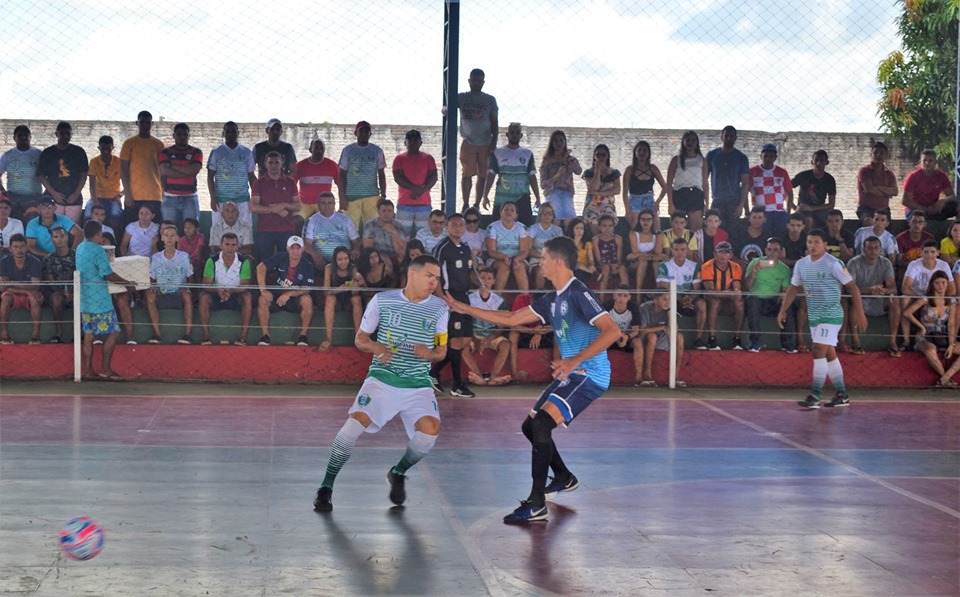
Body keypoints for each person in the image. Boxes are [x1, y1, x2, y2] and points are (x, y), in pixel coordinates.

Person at [444, 235, 621, 524]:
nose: (540, 264)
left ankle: (536, 503)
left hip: (590, 375)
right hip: (572, 374)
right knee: (531, 426)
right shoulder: (553, 299)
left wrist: (575, 360)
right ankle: (563, 476)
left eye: (544, 259)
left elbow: (613, 331)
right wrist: (467, 309)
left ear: (558, 262)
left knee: (541, 424)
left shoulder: (578, 292)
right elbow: (513, 319)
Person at [313, 254, 448, 512]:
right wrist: (377, 347)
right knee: (353, 426)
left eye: (437, 278)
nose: (434, 282)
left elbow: (441, 351)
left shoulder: (440, 308)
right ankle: (326, 486)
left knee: (430, 431)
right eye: (429, 276)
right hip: (382, 379)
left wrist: (429, 354)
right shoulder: (383, 300)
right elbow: (360, 339)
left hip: (418, 383)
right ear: (412, 274)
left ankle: (398, 472)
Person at [778, 229, 867, 409]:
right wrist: (783, 310)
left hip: (832, 314)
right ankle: (842, 394)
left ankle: (815, 395)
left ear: (825, 244)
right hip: (814, 315)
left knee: (817, 349)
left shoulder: (834, 263)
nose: (812, 246)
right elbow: (794, 288)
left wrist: (860, 312)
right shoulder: (801, 264)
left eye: (816, 242)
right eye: (810, 242)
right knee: (829, 354)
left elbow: (852, 287)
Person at [76, 220, 137, 379]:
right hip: (100, 300)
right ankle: (105, 368)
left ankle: (88, 371)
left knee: (89, 336)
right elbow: (108, 274)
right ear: (97, 234)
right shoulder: (98, 251)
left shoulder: (80, 248)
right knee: (114, 332)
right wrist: (128, 283)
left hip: (84, 299)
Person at [430, 213, 480, 398]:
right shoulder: (442, 248)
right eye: (454, 225)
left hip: (465, 297)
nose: (458, 228)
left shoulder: (466, 248)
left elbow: (471, 272)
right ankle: (457, 385)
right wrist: (443, 298)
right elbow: (434, 275)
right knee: (456, 341)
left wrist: (482, 286)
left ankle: (434, 372)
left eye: (461, 225)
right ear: (447, 227)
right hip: (450, 297)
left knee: (465, 341)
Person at [845, 236, 901, 357]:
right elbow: (849, 288)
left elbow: (893, 289)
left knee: (894, 301)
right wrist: (870, 290)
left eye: (876, 248)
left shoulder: (886, 263)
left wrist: (882, 290)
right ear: (863, 249)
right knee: (854, 301)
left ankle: (892, 342)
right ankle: (856, 342)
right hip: (861, 299)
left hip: (879, 298)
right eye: (870, 248)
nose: (873, 251)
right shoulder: (854, 263)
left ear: (881, 249)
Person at [256, 235, 316, 347]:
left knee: (307, 299)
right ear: (287, 249)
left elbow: (307, 288)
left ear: (303, 249)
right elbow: (261, 267)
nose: (295, 251)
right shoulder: (280, 257)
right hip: (275, 296)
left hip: (294, 299)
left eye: (298, 248)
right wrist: (263, 290)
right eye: (292, 248)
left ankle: (303, 336)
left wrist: (289, 294)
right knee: (262, 298)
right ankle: (265, 336)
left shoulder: (308, 265)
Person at [902, 271, 960, 386]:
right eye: (937, 283)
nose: (941, 286)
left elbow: (951, 324)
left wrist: (952, 343)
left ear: (947, 284)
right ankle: (945, 379)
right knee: (930, 350)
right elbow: (907, 313)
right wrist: (921, 327)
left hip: (943, 336)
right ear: (932, 284)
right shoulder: (926, 299)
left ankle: (945, 378)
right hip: (925, 336)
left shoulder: (951, 302)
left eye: (943, 283)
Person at [454, 68, 499, 210]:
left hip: (486, 142)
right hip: (468, 141)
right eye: (474, 80)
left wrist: (494, 142)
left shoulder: (489, 100)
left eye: (479, 81)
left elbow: (494, 122)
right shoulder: (461, 97)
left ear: (483, 82)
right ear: (469, 81)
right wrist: (444, 110)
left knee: (483, 175)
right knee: (467, 173)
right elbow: (448, 107)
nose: (476, 83)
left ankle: (476, 204)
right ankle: (466, 204)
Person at [198, 232, 253, 345]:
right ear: (221, 245)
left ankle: (243, 337)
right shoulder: (212, 261)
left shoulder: (244, 261)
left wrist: (230, 291)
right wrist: (218, 290)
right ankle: (206, 337)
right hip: (216, 294)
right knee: (203, 297)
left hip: (236, 294)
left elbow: (244, 285)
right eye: (227, 244)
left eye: (233, 245)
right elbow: (206, 284)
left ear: (238, 247)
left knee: (247, 296)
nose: (230, 248)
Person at [460, 268, 512, 386]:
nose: (485, 281)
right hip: (473, 335)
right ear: (478, 281)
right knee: (463, 348)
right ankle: (479, 377)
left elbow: (501, 325)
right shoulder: (469, 299)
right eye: (482, 278)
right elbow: (465, 323)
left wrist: (491, 337)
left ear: (493, 281)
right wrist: (474, 339)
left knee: (506, 345)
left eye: (489, 278)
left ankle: (493, 377)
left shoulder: (499, 301)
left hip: (491, 336)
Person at [743, 237, 795, 352]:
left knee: (787, 304)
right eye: (769, 249)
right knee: (753, 303)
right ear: (765, 250)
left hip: (773, 300)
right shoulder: (755, 262)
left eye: (775, 250)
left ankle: (787, 343)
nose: (772, 253)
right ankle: (755, 342)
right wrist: (753, 273)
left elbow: (786, 289)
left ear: (781, 252)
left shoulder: (784, 269)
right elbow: (746, 286)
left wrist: (783, 294)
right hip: (756, 299)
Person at [483, 122, 540, 226]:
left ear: (521, 135)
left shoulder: (527, 153)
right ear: (507, 134)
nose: (514, 134)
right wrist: (485, 195)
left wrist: (538, 197)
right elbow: (491, 175)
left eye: (517, 132)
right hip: (502, 198)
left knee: (525, 229)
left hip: (522, 198)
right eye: (512, 132)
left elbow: (532, 176)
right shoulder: (498, 152)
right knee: (498, 227)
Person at [146, 223, 194, 345]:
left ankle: (187, 334)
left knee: (187, 296)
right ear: (162, 238)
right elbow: (152, 279)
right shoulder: (156, 257)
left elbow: (190, 277)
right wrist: (153, 288)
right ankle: (157, 334)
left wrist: (187, 287)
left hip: (178, 293)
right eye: (166, 235)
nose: (169, 238)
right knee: (150, 296)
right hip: (162, 293)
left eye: (172, 235)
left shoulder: (184, 257)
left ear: (177, 238)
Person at [901, 240, 954, 348]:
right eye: (926, 252)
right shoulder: (914, 264)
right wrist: (923, 297)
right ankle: (906, 341)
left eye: (933, 252)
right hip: (919, 295)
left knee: (955, 302)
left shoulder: (943, 265)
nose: (930, 255)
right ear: (921, 252)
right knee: (904, 299)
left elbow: (952, 289)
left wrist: (937, 297)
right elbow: (905, 288)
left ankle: (951, 341)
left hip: (938, 295)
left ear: (938, 252)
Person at [657, 237, 707, 349]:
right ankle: (673, 340)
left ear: (687, 250)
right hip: (673, 299)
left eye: (682, 249)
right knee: (667, 302)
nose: (679, 253)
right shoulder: (664, 266)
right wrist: (680, 299)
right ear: (671, 250)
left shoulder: (694, 266)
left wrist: (690, 299)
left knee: (702, 304)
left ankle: (698, 340)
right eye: (676, 249)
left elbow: (697, 288)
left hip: (690, 300)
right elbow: (663, 289)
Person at [251, 151, 301, 261]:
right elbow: (254, 207)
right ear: (265, 164)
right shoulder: (259, 183)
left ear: (282, 163)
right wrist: (273, 210)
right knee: (264, 263)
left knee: (286, 262)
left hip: (286, 229)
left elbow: (297, 206)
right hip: (265, 230)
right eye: (270, 163)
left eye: (277, 162)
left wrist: (284, 205)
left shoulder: (290, 182)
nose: (274, 166)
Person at [338, 120, 387, 230]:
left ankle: (369, 248)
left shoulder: (377, 150)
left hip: (372, 196)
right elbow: (341, 175)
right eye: (361, 132)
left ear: (370, 134)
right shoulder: (347, 150)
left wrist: (383, 195)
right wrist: (341, 196)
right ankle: (353, 248)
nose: (364, 134)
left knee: (372, 229)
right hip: (351, 197)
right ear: (356, 133)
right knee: (350, 229)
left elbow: (381, 174)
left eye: (367, 132)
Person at [207, 121, 257, 227]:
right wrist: (212, 198)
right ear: (223, 133)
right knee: (219, 231)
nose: (230, 134)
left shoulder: (246, 152)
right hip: (221, 199)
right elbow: (210, 177)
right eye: (227, 131)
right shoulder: (216, 152)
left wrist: (256, 197)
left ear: (238, 133)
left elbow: (251, 176)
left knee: (245, 230)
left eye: (233, 131)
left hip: (242, 199)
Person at [37, 121, 88, 225]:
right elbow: (41, 175)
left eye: (68, 134)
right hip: (53, 199)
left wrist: (76, 193)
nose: (65, 136)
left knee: (72, 229)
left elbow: (83, 175)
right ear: (56, 134)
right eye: (62, 133)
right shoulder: (48, 152)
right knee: (54, 228)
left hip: (74, 199)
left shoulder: (78, 152)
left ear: (71, 134)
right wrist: (54, 193)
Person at [120, 110, 165, 223]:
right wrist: (128, 194)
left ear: (152, 124)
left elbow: (163, 170)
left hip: (154, 194)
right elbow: (124, 170)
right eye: (142, 122)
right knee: (131, 228)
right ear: (137, 123)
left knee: (155, 229)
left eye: (148, 122)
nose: (145, 125)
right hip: (134, 196)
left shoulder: (158, 144)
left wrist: (164, 193)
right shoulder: (129, 143)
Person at [318, 246, 363, 353]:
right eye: (340, 259)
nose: (343, 262)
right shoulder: (329, 268)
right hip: (336, 302)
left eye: (346, 258)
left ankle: (358, 338)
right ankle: (329, 338)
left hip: (348, 302)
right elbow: (326, 292)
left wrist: (355, 285)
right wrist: (340, 289)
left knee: (357, 299)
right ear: (335, 260)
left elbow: (355, 293)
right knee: (330, 298)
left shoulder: (353, 268)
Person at [157, 123, 202, 231]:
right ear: (174, 135)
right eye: (179, 134)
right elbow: (164, 171)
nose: (182, 137)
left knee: (192, 231)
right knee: (168, 230)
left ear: (189, 136)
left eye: (185, 135)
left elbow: (194, 170)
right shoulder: (165, 152)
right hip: (169, 197)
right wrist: (187, 170)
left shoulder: (196, 152)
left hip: (190, 197)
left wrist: (171, 166)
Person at [700, 241, 744, 350]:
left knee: (740, 303)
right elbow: (710, 290)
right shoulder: (707, 266)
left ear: (731, 255)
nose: (723, 255)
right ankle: (712, 338)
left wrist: (736, 292)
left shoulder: (736, 267)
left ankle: (737, 338)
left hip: (728, 298)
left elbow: (736, 287)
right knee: (715, 302)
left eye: (726, 252)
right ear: (714, 254)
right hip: (712, 298)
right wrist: (728, 293)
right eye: (720, 252)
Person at [635, 291, 685, 387]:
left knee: (680, 337)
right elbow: (642, 330)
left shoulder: (669, 309)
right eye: (664, 299)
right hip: (645, 338)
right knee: (652, 336)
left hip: (662, 337)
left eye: (669, 299)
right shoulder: (645, 308)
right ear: (655, 300)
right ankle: (647, 373)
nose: (668, 302)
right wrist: (661, 328)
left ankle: (675, 375)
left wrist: (670, 313)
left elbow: (674, 331)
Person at [392, 130, 438, 234]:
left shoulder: (428, 158)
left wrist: (422, 190)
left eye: (416, 140)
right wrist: (416, 188)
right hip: (404, 203)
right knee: (402, 234)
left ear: (420, 143)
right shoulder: (399, 158)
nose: (412, 143)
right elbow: (398, 177)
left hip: (424, 203)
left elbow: (433, 177)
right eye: (410, 140)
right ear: (405, 143)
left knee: (423, 234)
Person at [0, 233, 43, 344]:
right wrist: (26, 290)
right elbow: (3, 287)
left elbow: (35, 286)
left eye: (22, 246)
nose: (19, 250)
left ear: (26, 248)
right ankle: (4, 334)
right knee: (5, 299)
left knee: (35, 297)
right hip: (13, 295)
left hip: (27, 295)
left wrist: (11, 283)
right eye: (15, 247)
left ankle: (36, 335)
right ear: (10, 249)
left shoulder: (35, 262)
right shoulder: (4, 262)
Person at [506, 291, 556, 383]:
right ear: (531, 300)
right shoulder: (521, 299)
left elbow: (558, 324)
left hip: (545, 333)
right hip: (526, 331)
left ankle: (557, 375)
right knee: (513, 334)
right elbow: (513, 324)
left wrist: (540, 332)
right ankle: (514, 374)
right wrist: (533, 331)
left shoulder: (553, 301)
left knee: (558, 337)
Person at [705, 125, 751, 226]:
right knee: (716, 231)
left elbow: (745, 184)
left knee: (733, 233)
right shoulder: (712, 155)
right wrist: (706, 203)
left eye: (731, 136)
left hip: (733, 203)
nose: (729, 138)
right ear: (722, 137)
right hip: (717, 201)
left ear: (735, 138)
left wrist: (741, 205)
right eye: (726, 136)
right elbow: (704, 180)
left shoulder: (741, 158)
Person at [303, 191, 361, 269]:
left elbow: (356, 242)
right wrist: (315, 255)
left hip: (344, 260)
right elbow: (306, 244)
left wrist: (356, 249)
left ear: (334, 204)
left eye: (330, 203)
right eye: (323, 203)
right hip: (322, 261)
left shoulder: (345, 219)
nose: (327, 206)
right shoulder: (311, 221)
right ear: (318, 205)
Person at [666, 131, 710, 230]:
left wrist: (707, 203)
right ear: (683, 142)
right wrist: (670, 203)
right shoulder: (675, 160)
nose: (690, 142)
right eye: (688, 140)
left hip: (696, 195)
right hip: (679, 194)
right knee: (677, 229)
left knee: (695, 230)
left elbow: (705, 183)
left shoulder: (702, 160)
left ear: (697, 143)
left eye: (693, 140)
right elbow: (669, 184)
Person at [602, 285, 645, 385]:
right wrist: (615, 336)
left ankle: (639, 377)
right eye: (619, 295)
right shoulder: (606, 306)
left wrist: (626, 337)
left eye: (625, 296)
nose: (622, 298)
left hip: (627, 338)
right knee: (598, 343)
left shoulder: (633, 307)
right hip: (610, 337)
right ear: (614, 296)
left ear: (629, 297)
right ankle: (599, 376)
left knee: (638, 342)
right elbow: (601, 328)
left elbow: (636, 330)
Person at [539, 130, 582, 227]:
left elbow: (578, 171)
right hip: (552, 192)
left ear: (565, 142)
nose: (559, 143)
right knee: (555, 219)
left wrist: (568, 161)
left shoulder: (570, 159)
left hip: (567, 192)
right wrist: (556, 177)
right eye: (556, 141)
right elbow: (543, 184)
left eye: (561, 140)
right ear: (552, 143)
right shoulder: (547, 161)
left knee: (570, 219)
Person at [41, 226, 76, 344]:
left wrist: (73, 293)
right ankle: (58, 332)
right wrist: (63, 293)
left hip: (76, 290)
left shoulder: (77, 256)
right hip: (57, 292)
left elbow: (82, 277)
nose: (59, 239)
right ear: (52, 240)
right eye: (56, 237)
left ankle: (78, 333)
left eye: (62, 236)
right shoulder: (48, 259)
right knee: (57, 299)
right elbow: (51, 281)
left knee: (80, 297)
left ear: (67, 238)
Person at [0, 125, 42, 221]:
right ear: (14, 138)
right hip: (13, 197)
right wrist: (2, 190)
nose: (23, 137)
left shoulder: (38, 154)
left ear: (30, 137)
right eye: (20, 135)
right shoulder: (7, 155)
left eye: (26, 135)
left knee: (32, 221)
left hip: (33, 197)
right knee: (11, 222)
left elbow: (47, 175)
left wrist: (44, 193)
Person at [622, 140, 667, 230]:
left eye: (644, 150)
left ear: (648, 153)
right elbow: (625, 191)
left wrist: (658, 202)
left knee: (656, 227)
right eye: (639, 150)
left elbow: (665, 187)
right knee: (636, 228)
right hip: (634, 201)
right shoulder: (630, 170)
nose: (642, 153)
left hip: (649, 200)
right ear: (635, 153)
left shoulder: (653, 168)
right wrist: (627, 210)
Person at [486, 201, 530, 290]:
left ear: (516, 215)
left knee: (519, 266)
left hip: (518, 258)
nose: (509, 212)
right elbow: (491, 251)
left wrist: (517, 259)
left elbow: (524, 250)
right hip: (497, 259)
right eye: (506, 209)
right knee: (504, 266)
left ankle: (525, 299)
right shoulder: (492, 227)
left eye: (512, 210)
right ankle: (498, 299)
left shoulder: (522, 228)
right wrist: (503, 257)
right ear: (500, 212)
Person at [901, 149, 957, 220]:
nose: (927, 163)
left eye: (930, 160)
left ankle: (957, 228)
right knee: (918, 217)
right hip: (915, 209)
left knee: (957, 206)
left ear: (935, 162)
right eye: (924, 160)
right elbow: (905, 201)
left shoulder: (941, 176)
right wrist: (925, 209)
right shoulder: (913, 176)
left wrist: (943, 201)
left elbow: (952, 196)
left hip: (934, 208)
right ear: (920, 162)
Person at [293, 138, 340, 222]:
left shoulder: (332, 165)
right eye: (316, 148)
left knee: (328, 221)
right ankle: (298, 236)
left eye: (321, 148)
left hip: (324, 203)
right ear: (310, 150)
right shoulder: (300, 165)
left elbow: (341, 185)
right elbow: (292, 186)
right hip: (304, 203)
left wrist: (341, 203)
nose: (319, 151)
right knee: (297, 220)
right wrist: (294, 202)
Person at [85, 135, 123, 233]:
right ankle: (89, 241)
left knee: (116, 216)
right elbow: (92, 185)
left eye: (108, 149)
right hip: (97, 196)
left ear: (113, 148)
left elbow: (128, 183)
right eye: (103, 149)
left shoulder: (119, 162)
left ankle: (114, 241)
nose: (106, 151)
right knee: (87, 215)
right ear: (99, 148)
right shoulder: (94, 162)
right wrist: (95, 201)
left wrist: (119, 196)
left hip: (114, 197)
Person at [582, 144, 622, 236]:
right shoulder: (589, 172)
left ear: (608, 156)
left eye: (603, 155)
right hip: (592, 207)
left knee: (607, 232)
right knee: (595, 232)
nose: (600, 157)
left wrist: (598, 193)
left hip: (608, 206)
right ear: (594, 156)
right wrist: (597, 171)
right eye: (598, 155)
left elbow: (617, 190)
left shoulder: (614, 172)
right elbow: (592, 188)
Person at [856, 141, 898, 226]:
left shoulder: (889, 173)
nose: (878, 155)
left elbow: (895, 192)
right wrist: (886, 193)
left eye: (882, 153)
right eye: (876, 153)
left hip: (884, 209)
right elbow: (869, 189)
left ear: (886, 156)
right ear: (871, 154)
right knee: (868, 222)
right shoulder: (864, 171)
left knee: (886, 228)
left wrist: (877, 187)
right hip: (866, 208)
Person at [527, 203, 564, 290]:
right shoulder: (532, 229)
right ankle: (539, 298)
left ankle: (557, 299)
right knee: (541, 271)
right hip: (537, 259)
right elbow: (528, 250)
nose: (547, 216)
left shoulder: (558, 230)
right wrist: (543, 256)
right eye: (544, 213)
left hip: (554, 259)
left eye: (550, 213)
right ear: (540, 215)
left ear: (553, 216)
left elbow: (561, 249)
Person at [362, 199, 409, 264]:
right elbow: (368, 249)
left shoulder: (399, 226)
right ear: (378, 212)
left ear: (393, 213)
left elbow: (402, 252)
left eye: (389, 211)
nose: (387, 214)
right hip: (376, 257)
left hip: (394, 257)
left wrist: (394, 233)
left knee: (402, 259)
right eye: (384, 211)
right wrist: (383, 258)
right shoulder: (370, 225)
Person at [626, 208, 662, 292]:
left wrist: (641, 255)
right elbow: (635, 254)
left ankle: (659, 291)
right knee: (643, 262)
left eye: (649, 219)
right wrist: (651, 256)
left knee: (656, 263)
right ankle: (638, 293)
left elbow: (658, 254)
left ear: (653, 221)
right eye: (643, 219)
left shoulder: (658, 234)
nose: (646, 222)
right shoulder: (633, 233)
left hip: (653, 262)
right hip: (636, 263)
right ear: (639, 220)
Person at [593, 214, 628, 292]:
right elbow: (599, 260)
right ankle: (601, 299)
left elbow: (619, 258)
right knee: (606, 268)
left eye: (610, 226)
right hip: (602, 266)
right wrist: (608, 266)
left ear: (614, 227)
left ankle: (625, 294)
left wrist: (615, 265)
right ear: (599, 227)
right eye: (604, 226)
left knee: (622, 269)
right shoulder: (596, 240)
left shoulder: (618, 238)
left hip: (615, 265)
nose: (607, 229)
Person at [566, 217, 595, 284]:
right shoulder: (566, 242)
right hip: (570, 266)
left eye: (582, 228)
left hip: (583, 268)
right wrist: (575, 242)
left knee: (579, 272)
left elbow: (591, 258)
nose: (579, 231)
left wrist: (592, 265)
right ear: (572, 230)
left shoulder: (587, 243)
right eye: (577, 228)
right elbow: (567, 255)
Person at [176, 217, 205, 282]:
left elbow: (199, 251)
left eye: (190, 227)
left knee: (198, 269)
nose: (187, 230)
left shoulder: (200, 237)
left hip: (197, 262)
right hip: (185, 263)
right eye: (185, 227)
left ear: (197, 229)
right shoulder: (181, 240)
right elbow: (179, 255)